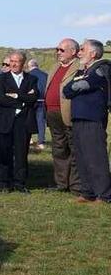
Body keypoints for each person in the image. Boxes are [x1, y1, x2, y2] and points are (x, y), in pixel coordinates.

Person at [63, 39, 111, 204]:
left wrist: (78, 85)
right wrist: (77, 85)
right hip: (78, 118)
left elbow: (86, 84)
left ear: (93, 53)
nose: (79, 52)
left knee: (96, 157)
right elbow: (66, 90)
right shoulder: (81, 71)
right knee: (82, 156)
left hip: (93, 119)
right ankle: (87, 192)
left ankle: (103, 194)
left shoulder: (102, 69)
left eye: (83, 49)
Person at [0, 51, 38, 193]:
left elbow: (34, 98)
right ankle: (3, 182)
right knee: (3, 152)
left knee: (21, 153)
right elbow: (1, 99)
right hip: (5, 121)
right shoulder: (0, 79)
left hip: (23, 122)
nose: (13, 64)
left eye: (16, 61)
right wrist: (23, 102)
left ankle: (20, 183)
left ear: (23, 63)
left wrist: (17, 95)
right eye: (11, 61)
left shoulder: (32, 79)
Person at [44, 38, 81, 194]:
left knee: (74, 148)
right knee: (59, 149)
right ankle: (61, 183)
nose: (58, 52)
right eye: (57, 49)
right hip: (52, 113)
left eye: (62, 50)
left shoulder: (79, 67)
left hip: (69, 113)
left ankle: (76, 185)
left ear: (73, 52)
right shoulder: (55, 67)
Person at [26, 59, 48, 151]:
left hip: (31, 100)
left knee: (28, 119)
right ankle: (41, 141)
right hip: (42, 100)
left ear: (29, 66)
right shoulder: (45, 75)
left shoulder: (28, 75)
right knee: (41, 121)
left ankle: (29, 139)